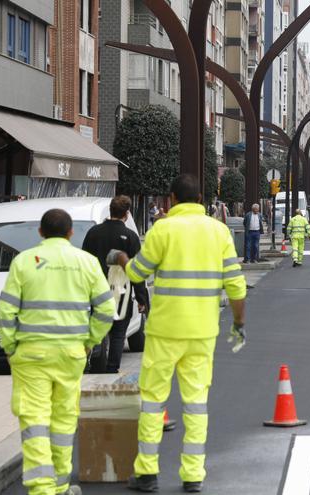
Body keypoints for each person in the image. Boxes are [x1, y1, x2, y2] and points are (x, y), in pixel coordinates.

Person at [114, 175, 246, 493]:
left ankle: (146, 473)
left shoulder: (163, 229)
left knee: (152, 403)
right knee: (196, 404)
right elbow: (236, 285)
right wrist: (239, 323)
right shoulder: (219, 231)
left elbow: (137, 272)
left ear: (171, 199)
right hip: (202, 331)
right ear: (200, 198)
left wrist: (121, 259)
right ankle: (193, 475)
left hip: (164, 331)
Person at [0, 209, 115, 495]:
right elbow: (106, 309)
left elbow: (6, 311)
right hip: (71, 354)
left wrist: (9, 345)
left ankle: (41, 488)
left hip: (31, 355)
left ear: (40, 232)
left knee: (35, 420)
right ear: (71, 233)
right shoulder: (86, 262)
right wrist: (90, 341)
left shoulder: (23, 262)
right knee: (63, 420)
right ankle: (60, 485)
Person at [81, 195, 149, 373]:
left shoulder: (93, 233)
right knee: (118, 333)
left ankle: (89, 362)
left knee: (97, 327)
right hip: (121, 291)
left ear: (110, 210)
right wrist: (142, 299)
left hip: (96, 291)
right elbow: (136, 271)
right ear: (126, 214)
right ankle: (112, 368)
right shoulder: (130, 236)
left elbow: (84, 261)